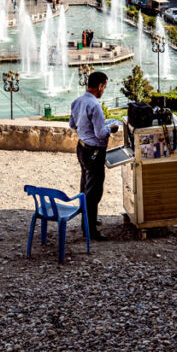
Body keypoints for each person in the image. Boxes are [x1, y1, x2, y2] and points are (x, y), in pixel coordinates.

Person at [69, 71, 118, 241]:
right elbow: (100, 134)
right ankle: (89, 230)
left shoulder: (77, 101)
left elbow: (72, 124)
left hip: (81, 148)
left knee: (85, 186)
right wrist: (110, 129)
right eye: (104, 87)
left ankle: (87, 220)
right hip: (94, 152)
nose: (104, 90)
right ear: (100, 86)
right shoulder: (95, 106)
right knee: (94, 190)